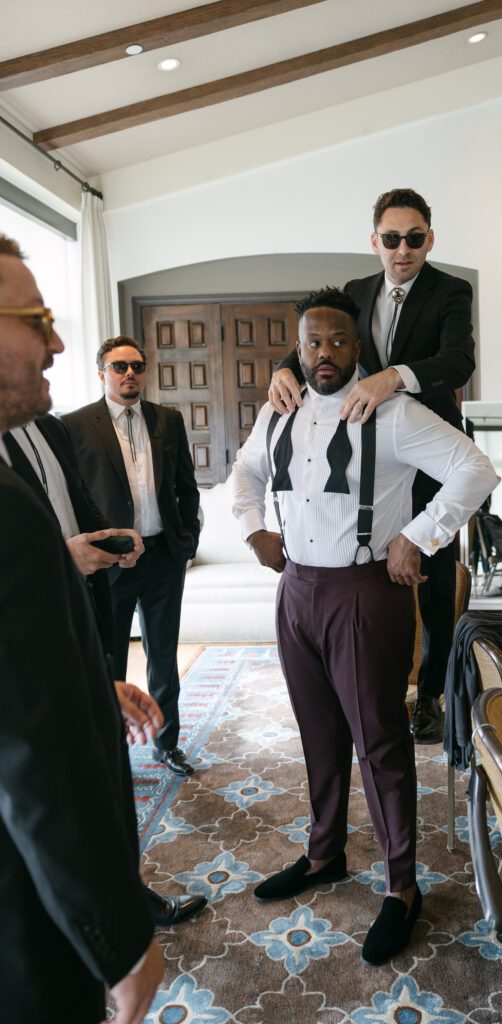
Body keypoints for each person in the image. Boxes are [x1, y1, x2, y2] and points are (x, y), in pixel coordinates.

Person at [233, 287, 495, 965]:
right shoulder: (278, 409)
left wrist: (419, 534)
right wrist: (253, 530)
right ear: (298, 346)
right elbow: (243, 474)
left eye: (338, 342)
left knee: (379, 742)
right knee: (317, 733)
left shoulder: (393, 413)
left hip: (363, 592)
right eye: (312, 342)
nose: (325, 353)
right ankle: (324, 853)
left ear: (358, 348)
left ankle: (401, 888)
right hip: (295, 593)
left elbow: (474, 468)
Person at [0, 233, 163, 1024]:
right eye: (35, 318)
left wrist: (89, 683)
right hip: (26, 915)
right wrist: (119, 938)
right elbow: (30, 754)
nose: (56, 341)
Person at [269, 189, 476, 743]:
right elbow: (320, 339)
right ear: (375, 242)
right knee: (365, 567)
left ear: (429, 240)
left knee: (429, 579)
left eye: (414, 238)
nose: (403, 249)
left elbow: (459, 360)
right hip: (360, 454)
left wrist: (392, 377)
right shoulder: (357, 292)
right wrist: (283, 370)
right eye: (392, 239)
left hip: (427, 449)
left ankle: (430, 694)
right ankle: (360, 676)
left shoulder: (452, 291)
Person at [3, 413, 208, 927]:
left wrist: (109, 535)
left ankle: (127, 897)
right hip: (24, 656)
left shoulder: (47, 427)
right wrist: (61, 555)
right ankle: (85, 925)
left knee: (106, 772)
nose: (54, 348)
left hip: (83, 614)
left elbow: (75, 501)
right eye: (38, 328)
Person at [64, 337, 201, 777]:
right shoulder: (74, 425)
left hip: (163, 558)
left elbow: (186, 485)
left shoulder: (169, 420)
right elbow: (72, 495)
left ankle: (167, 744)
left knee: (164, 656)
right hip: (110, 564)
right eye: (119, 366)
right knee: (110, 658)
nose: (130, 374)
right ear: (101, 372)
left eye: (137, 366)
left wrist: (188, 540)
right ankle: (112, 752)